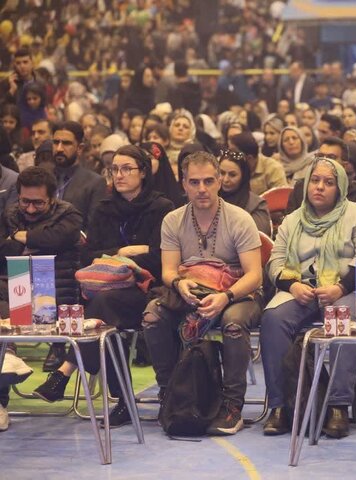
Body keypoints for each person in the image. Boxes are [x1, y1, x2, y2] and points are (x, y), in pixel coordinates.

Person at [33, 146, 174, 426]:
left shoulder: (162, 207)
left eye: (126, 169)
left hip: (148, 291)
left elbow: (159, 259)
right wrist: (125, 251)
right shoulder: (104, 208)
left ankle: (66, 372)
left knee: (100, 312)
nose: (118, 175)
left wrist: (115, 256)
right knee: (104, 312)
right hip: (105, 289)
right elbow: (87, 255)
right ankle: (120, 399)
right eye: (114, 169)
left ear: (143, 172)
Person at [142, 151, 264, 435]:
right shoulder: (172, 220)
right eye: (194, 182)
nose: (202, 189)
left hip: (238, 293)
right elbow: (169, 271)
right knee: (152, 318)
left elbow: (254, 275)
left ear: (220, 180)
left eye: (209, 181)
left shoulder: (240, 219)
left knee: (233, 323)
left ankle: (233, 406)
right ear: (183, 184)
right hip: (191, 290)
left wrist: (225, 297)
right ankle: (170, 394)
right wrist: (178, 284)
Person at [260, 156, 356, 438]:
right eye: (315, 181)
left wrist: (339, 289)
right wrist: (292, 286)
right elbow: (275, 264)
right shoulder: (292, 220)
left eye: (328, 182)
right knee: (273, 319)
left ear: (339, 188)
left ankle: (338, 406)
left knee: (346, 319)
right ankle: (280, 406)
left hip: (344, 291)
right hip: (302, 290)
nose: (320, 187)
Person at [0, 167, 83, 426]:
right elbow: (6, 250)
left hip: (62, 292)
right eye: (26, 201)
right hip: (17, 287)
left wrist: (26, 237)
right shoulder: (11, 212)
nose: (31, 209)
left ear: (53, 197)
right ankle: (8, 359)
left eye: (39, 203)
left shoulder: (70, 214)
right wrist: (35, 239)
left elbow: (59, 237)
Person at [50, 121, 107, 228]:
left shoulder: (94, 183)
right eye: (56, 142)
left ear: (80, 148)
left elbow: (94, 228)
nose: (59, 149)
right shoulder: (43, 178)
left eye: (66, 143)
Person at [218, 149, 271, 236]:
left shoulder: (256, 205)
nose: (225, 179)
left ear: (243, 177)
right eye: (222, 173)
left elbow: (259, 239)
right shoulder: (208, 199)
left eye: (232, 175)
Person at [140, 141, 185, 208]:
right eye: (140, 158)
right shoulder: (133, 189)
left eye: (150, 158)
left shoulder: (173, 193)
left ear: (160, 161)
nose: (145, 162)